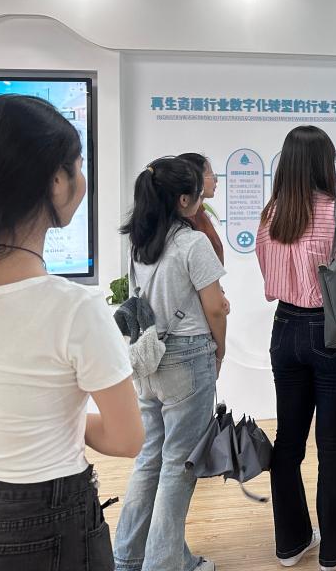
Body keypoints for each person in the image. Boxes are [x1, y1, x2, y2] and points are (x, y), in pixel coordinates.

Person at [0, 94, 143, 571]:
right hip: (48, 520)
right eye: (77, 165)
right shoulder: (75, 309)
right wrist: (60, 423)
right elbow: (127, 438)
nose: (82, 178)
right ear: (55, 182)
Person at [256, 126, 336, 571]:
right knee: (333, 443)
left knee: (288, 441)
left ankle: (291, 544)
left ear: (286, 164)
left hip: (284, 328)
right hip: (332, 331)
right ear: (326, 164)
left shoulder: (270, 216)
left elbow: (266, 273)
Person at [114, 156, 230, 571]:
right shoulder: (193, 243)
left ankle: (128, 557)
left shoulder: (141, 243)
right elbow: (215, 307)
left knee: (151, 458)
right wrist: (220, 350)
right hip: (188, 357)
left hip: (149, 358)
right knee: (178, 467)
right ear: (184, 200)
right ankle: (163, 564)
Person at [179, 153, 224, 265]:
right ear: (196, 179)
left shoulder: (201, 212)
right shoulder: (186, 219)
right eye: (211, 175)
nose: (216, 180)